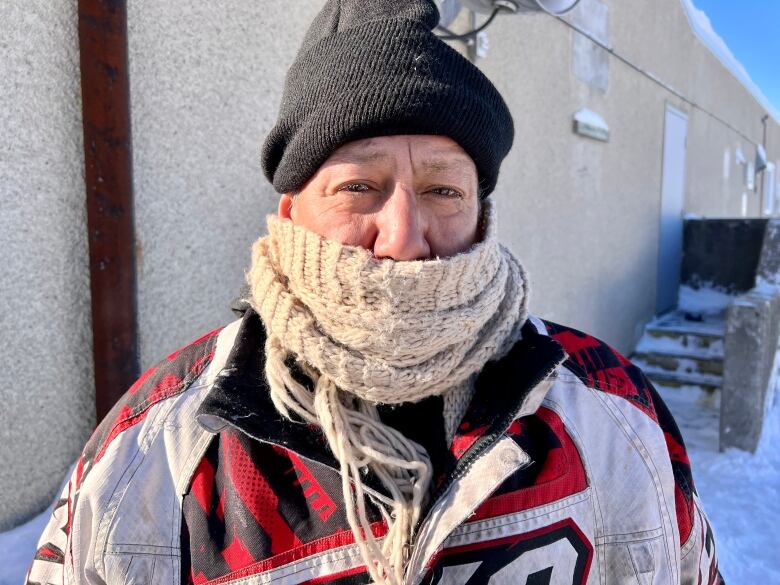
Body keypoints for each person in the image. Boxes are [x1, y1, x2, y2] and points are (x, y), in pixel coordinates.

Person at [27, 0, 723, 583]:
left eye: (443, 188)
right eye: (359, 185)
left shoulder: (613, 416)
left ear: (485, 211)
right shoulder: (150, 453)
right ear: (291, 211)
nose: (403, 235)